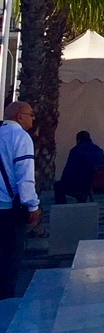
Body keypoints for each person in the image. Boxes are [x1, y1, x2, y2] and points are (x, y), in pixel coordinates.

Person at [0, 101, 40, 300]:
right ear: (19, 116)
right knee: (9, 262)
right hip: (9, 209)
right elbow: (24, 175)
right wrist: (32, 205)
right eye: (30, 114)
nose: (33, 118)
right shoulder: (20, 137)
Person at [56, 130, 104, 203]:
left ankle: (61, 208)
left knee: (58, 185)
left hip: (83, 185)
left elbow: (69, 170)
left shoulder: (76, 150)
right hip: (100, 185)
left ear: (78, 140)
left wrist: (64, 180)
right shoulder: (98, 149)